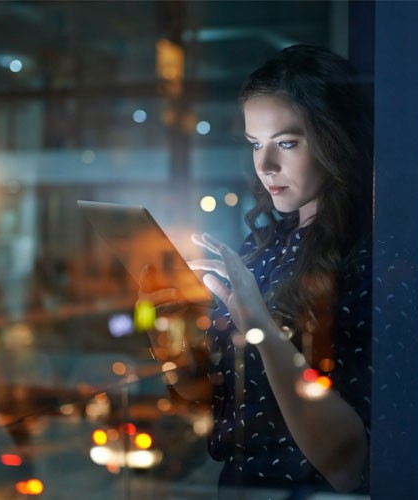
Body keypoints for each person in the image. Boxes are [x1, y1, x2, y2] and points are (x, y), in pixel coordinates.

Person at [139, 44, 372, 497]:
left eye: (286, 143)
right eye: (254, 145)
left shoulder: (367, 259)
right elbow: (217, 401)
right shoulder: (264, 246)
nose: (265, 167)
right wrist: (167, 342)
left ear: (334, 139)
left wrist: (258, 325)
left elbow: (350, 466)